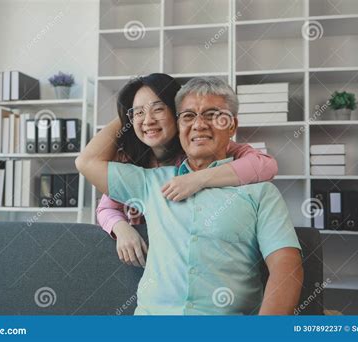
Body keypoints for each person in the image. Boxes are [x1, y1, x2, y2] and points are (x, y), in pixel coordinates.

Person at [76, 76, 303, 315]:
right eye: (188, 116)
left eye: (213, 115)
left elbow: (286, 267)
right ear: (179, 125)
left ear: (232, 126)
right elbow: (87, 162)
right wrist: (130, 112)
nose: (199, 125)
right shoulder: (150, 180)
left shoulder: (258, 190)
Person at [95, 73, 278, 268]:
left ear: (177, 113)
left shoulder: (199, 149)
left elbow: (265, 165)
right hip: (143, 257)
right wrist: (121, 228)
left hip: (189, 257)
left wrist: (198, 179)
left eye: (158, 109)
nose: (148, 120)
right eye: (139, 113)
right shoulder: (129, 157)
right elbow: (106, 206)